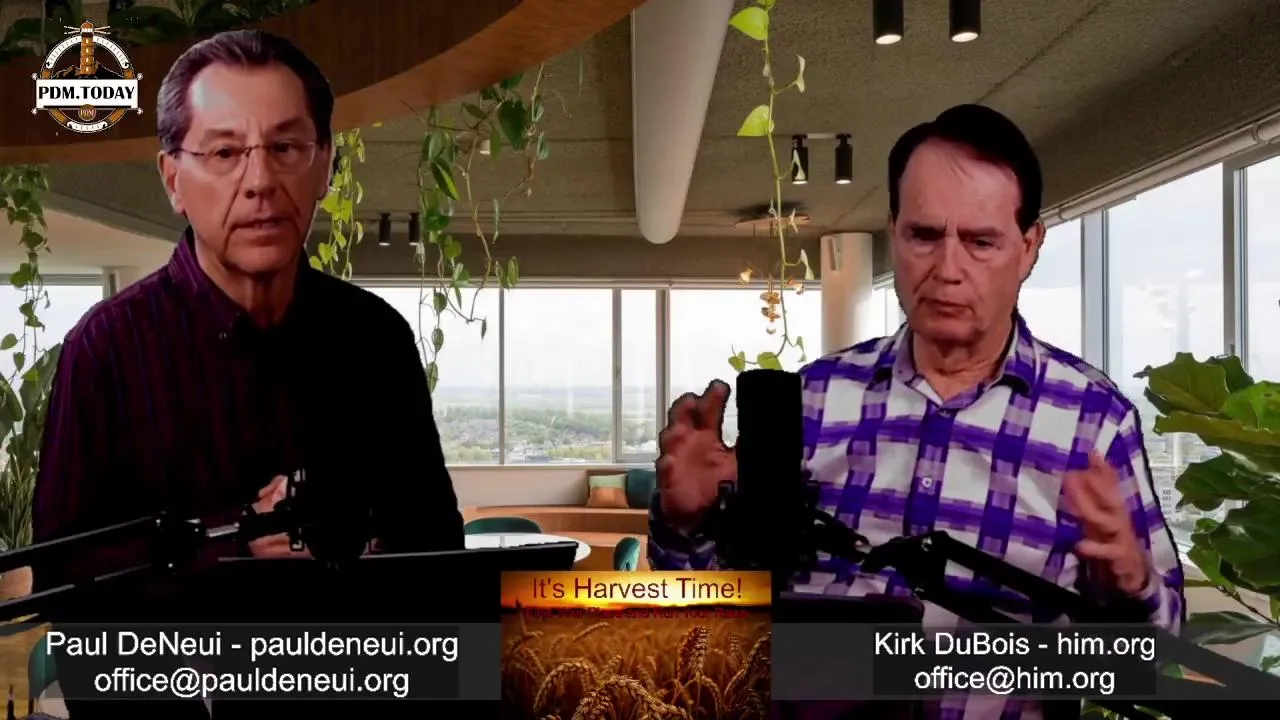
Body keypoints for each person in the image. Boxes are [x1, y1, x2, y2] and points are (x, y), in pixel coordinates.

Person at [650, 105, 1184, 720]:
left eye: (981, 242)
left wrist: (1130, 590)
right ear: (894, 231)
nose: (948, 270)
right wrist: (684, 523)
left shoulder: (1095, 422)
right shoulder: (813, 399)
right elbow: (710, 632)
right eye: (924, 236)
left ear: (1029, 247)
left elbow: (1152, 660)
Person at [33, 28, 463, 706]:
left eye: (286, 148)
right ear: (173, 178)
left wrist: (357, 541)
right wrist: (237, 544)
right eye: (225, 152)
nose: (260, 182)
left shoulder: (376, 340)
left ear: (325, 166)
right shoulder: (105, 349)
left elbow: (439, 557)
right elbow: (64, 587)